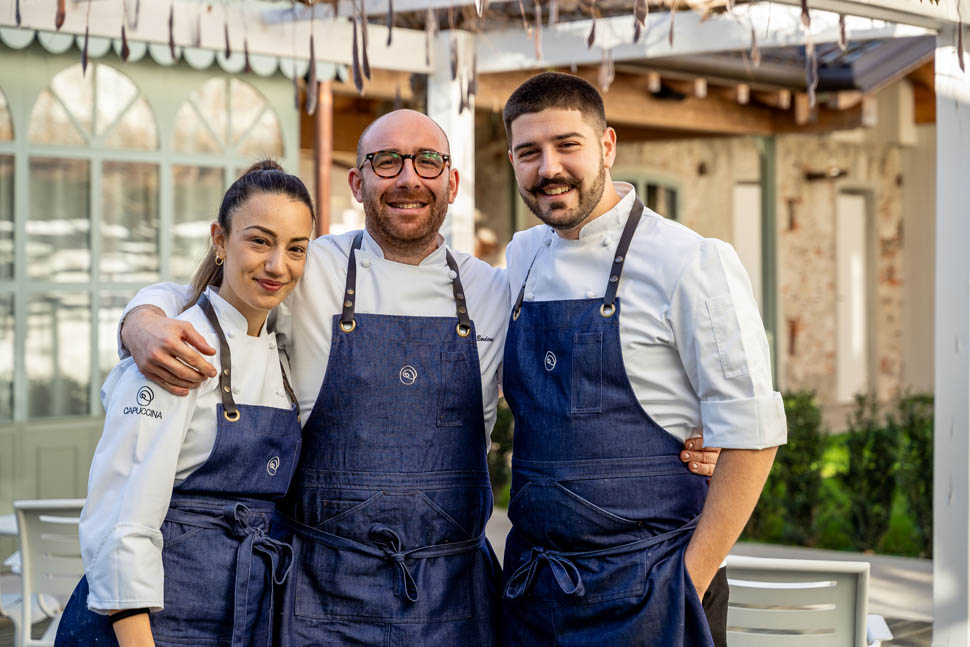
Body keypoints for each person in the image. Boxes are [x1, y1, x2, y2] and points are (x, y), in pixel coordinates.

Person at [113, 109, 720, 646]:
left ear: (451, 183)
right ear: (358, 183)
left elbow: (574, 382)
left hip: (456, 599)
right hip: (323, 595)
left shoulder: (493, 288)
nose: (409, 178)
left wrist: (683, 430)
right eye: (387, 162)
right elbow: (215, 291)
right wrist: (142, 320)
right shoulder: (307, 266)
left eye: (428, 161)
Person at [498, 72, 786, 647]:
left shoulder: (690, 260)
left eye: (567, 145)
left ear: (607, 145)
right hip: (534, 590)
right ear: (512, 160)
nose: (549, 168)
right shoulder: (522, 257)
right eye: (529, 152)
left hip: (653, 589)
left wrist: (687, 584)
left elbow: (753, 436)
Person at [54, 161, 315, 647]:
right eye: (260, 241)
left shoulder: (285, 350)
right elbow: (121, 519)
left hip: (240, 619)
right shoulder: (174, 350)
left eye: (296, 248)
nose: (278, 265)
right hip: (149, 627)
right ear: (220, 241)